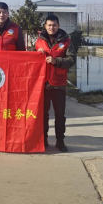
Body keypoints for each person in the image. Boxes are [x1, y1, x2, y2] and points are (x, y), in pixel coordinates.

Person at [35, 15, 76, 152]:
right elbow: (31, 59)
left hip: (59, 83)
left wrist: (56, 61)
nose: (51, 27)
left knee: (60, 114)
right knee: (43, 114)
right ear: (45, 26)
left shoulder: (67, 41)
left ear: (58, 26)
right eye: (49, 25)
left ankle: (60, 141)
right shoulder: (39, 41)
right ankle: (43, 139)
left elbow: (71, 60)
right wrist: (37, 54)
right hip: (43, 83)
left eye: (54, 25)